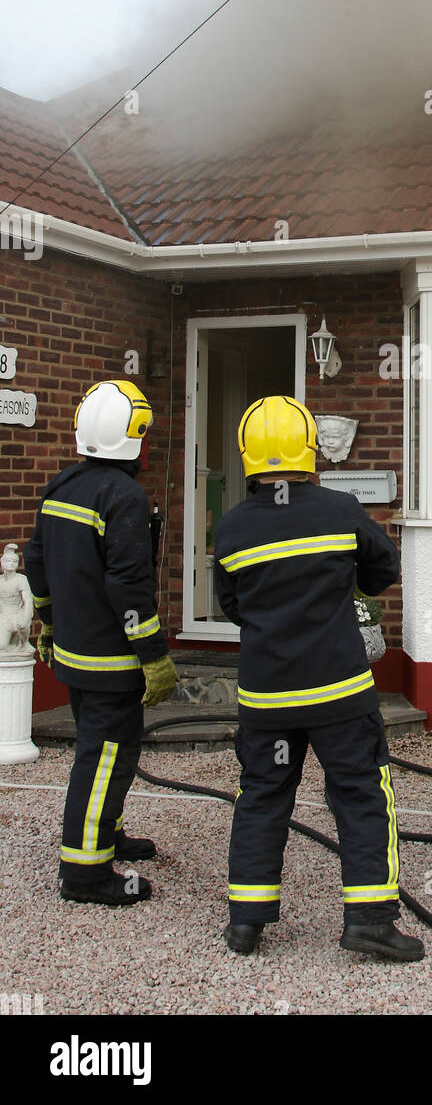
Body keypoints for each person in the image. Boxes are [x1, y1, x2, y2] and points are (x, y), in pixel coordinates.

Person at [213, 394, 424, 961]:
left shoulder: (231, 529)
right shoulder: (340, 509)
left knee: (262, 793)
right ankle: (371, 921)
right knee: (359, 793)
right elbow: (384, 569)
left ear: (248, 456)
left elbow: (231, 606)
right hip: (339, 692)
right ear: (310, 451)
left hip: (267, 696)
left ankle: (246, 923)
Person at [24, 379, 178, 907]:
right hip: (111, 662)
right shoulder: (124, 497)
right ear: (133, 438)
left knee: (105, 753)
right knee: (106, 755)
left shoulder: (61, 486)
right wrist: (154, 655)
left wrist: (46, 622)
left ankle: (103, 834)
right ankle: (86, 873)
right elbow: (128, 584)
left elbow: (36, 561)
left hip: (72, 654)